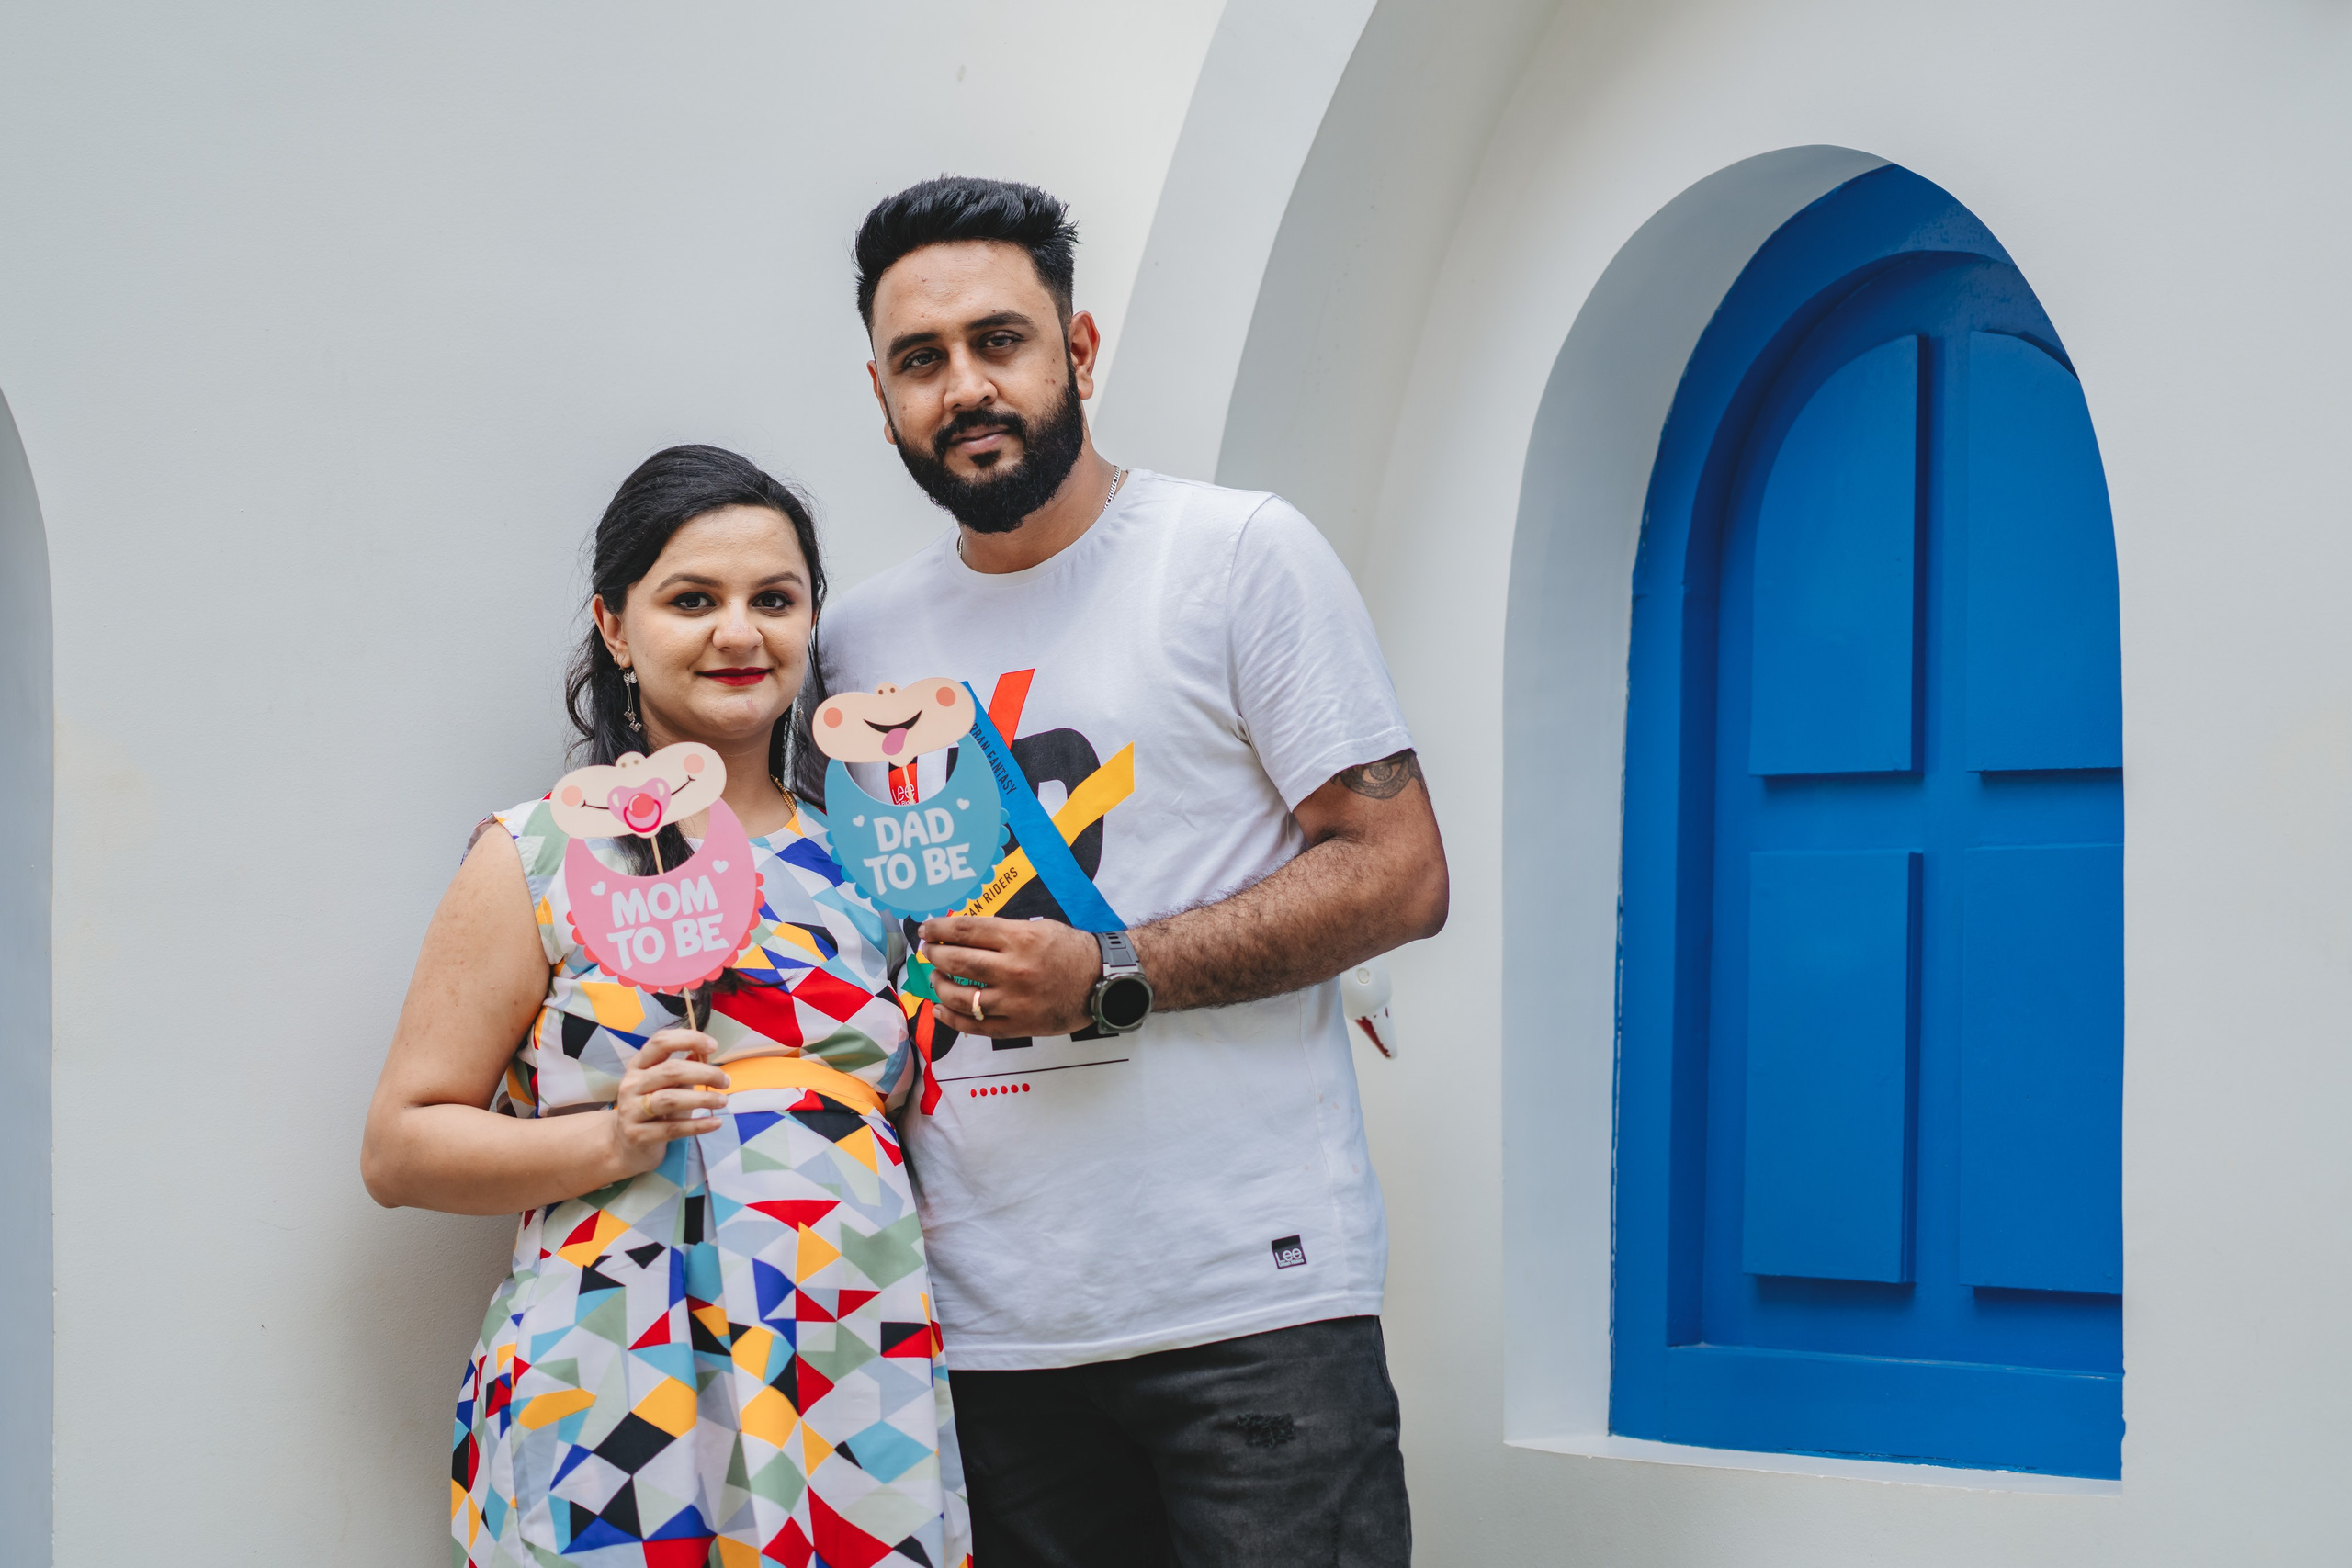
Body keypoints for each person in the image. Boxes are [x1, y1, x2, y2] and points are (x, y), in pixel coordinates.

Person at [820, 176, 1447, 1566]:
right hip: (982, 1326)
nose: (966, 386)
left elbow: (1398, 871)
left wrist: (1108, 969)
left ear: (1079, 350)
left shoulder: (1236, 555)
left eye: (1001, 340)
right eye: (922, 361)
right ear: (882, 396)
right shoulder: (854, 643)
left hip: (1250, 1308)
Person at [361, 446, 971, 1568]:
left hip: (848, 1377)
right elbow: (400, 1149)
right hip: (618, 1377)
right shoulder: (539, 852)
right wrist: (611, 1134)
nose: (739, 632)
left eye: (773, 600)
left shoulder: (874, 861)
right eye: (693, 599)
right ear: (614, 624)